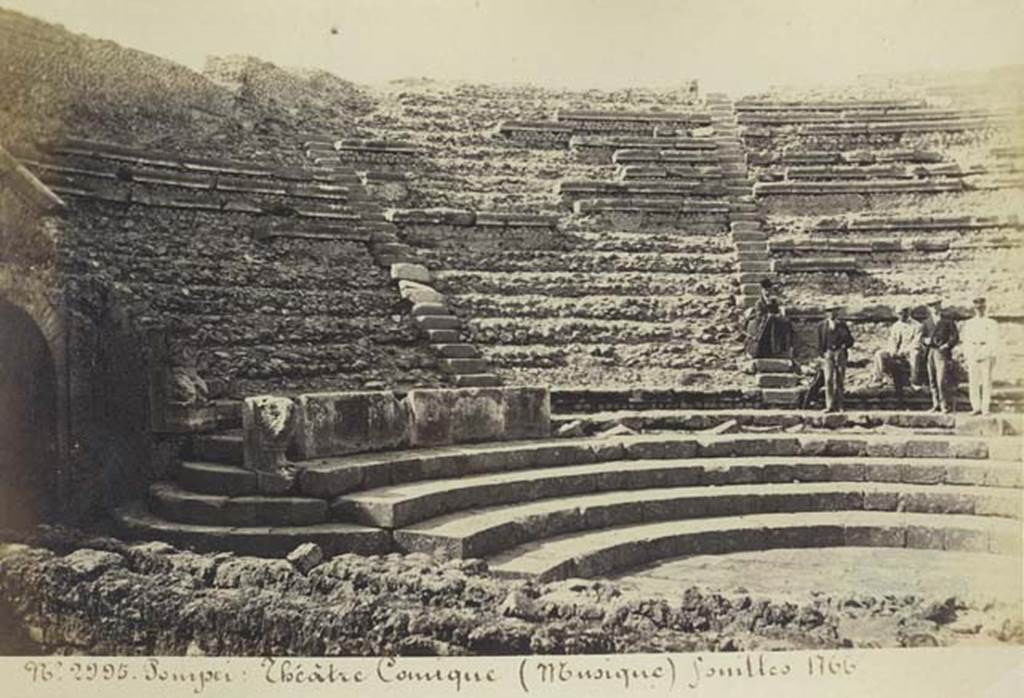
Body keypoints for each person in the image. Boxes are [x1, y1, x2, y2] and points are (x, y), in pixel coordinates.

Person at [872, 306, 922, 399]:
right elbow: (892, 340)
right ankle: (878, 379)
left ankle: (914, 381)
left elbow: (916, 342)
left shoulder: (917, 326)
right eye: (899, 314)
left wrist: (904, 351)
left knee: (915, 354)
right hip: (897, 351)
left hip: (909, 351)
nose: (901, 316)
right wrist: (893, 350)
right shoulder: (896, 326)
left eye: (903, 313)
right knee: (879, 354)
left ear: (908, 313)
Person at [961, 297, 1000, 415]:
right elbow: (966, 340)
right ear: (974, 309)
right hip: (973, 351)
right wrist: (968, 353)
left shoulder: (991, 323)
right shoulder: (969, 323)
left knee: (986, 381)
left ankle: (985, 407)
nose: (980, 310)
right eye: (977, 308)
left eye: (982, 307)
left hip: (985, 351)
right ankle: (976, 407)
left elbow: (994, 340)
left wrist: (987, 352)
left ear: (985, 308)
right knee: (973, 381)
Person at [922, 298, 959, 413]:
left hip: (942, 352)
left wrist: (947, 345)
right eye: (931, 306)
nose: (934, 308)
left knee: (941, 380)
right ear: (929, 308)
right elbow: (922, 337)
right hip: (930, 352)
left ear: (940, 306)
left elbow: (955, 337)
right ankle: (936, 404)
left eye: (936, 305)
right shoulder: (926, 322)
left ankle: (944, 405)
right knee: (932, 379)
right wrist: (925, 340)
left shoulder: (948, 321)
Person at [744, 279, 794, 359]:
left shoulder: (773, 301)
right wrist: (769, 316)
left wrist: (778, 313)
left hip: (774, 323)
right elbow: (759, 315)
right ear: (762, 291)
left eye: (769, 290)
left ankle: (782, 349)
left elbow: (777, 311)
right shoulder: (759, 303)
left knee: (785, 322)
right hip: (763, 324)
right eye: (765, 290)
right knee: (770, 321)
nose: (767, 292)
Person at [818, 305, 854, 413]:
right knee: (828, 379)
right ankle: (829, 405)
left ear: (837, 313)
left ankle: (840, 405)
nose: (832, 313)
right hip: (828, 354)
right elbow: (820, 342)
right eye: (829, 311)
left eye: (834, 311)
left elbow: (850, 341)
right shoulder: (821, 326)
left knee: (839, 379)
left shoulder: (842, 325)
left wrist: (843, 347)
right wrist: (823, 354)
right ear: (826, 313)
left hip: (840, 353)